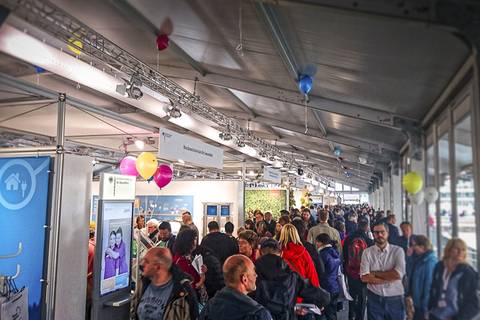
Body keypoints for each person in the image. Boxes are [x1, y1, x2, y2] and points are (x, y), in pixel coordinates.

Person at [254, 238, 330, 320]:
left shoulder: (251, 275)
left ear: (260, 252)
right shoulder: (291, 275)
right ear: (281, 253)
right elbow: (322, 297)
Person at [199, 254, 272, 320]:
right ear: (244, 279)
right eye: (253, 272)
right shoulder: (258, 314)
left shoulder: (209, 307)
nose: (256, 275)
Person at [132, 247, 198, 320]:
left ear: (157, 267)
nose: (142, 264)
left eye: (147, 261)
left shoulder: (183, 293)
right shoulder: (144, 283)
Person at [360, 222, 406, 320]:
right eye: (376, 232)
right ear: (373, 234)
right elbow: (364, 277)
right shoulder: (367, 252)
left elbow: (397, 275)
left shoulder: (398, 251)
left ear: (387, 233)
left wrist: (374, 273)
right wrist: (388, 278)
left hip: (395, 298)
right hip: (374, 298)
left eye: (382, 232)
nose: (379, 235)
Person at [428, 238, 479, 320]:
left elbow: (473, 303)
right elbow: (433, 288)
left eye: (463, 250)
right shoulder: (440, 267)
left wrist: (459, 318)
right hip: (436, 314)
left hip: (455, 316)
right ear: (449, 249)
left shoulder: (468, 272)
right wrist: (429, 308)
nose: (460, 252)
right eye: (457, 249)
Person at [342, 220, 373, 320]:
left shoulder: (349, 238)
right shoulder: (368, 240)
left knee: (352, 295)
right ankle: (360, 317)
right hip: (363, 273)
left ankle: (351, 316)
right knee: (362, 297)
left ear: (357, 226)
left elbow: (344, 255)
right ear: (366, 227)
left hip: (351, 272)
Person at [173, 228, 208, 304]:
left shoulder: (189, 257)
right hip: (188, 301)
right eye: (194, 239)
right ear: (188, 241)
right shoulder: (181, 261)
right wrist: (201, 280)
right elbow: (187, 286)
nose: (196, 242)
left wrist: (202, 271)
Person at [406, 235, 437, 320]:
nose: (413, 248)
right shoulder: (418, 259)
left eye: (414, 245)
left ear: (422, 246)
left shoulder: (430, 262)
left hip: (423, 306)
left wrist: (425, 309)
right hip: (416, 303)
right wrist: (409, 257)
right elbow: (409, 273)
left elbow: (428, 286)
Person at [279, 224, 320, 289]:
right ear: (296, 235)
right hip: (301, 289)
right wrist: (315, 289)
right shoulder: (303, 252)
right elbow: (311, 272)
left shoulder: (278, 253)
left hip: (284, 291)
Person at [316, 234, 341, 320]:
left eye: (317, 242)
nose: (316, 244)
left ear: (321, 243)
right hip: (335, 286)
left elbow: (320, 272)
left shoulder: (322, 255)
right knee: (332, 312)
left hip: (325, 287)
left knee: (324, 313)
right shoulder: (335, 252)